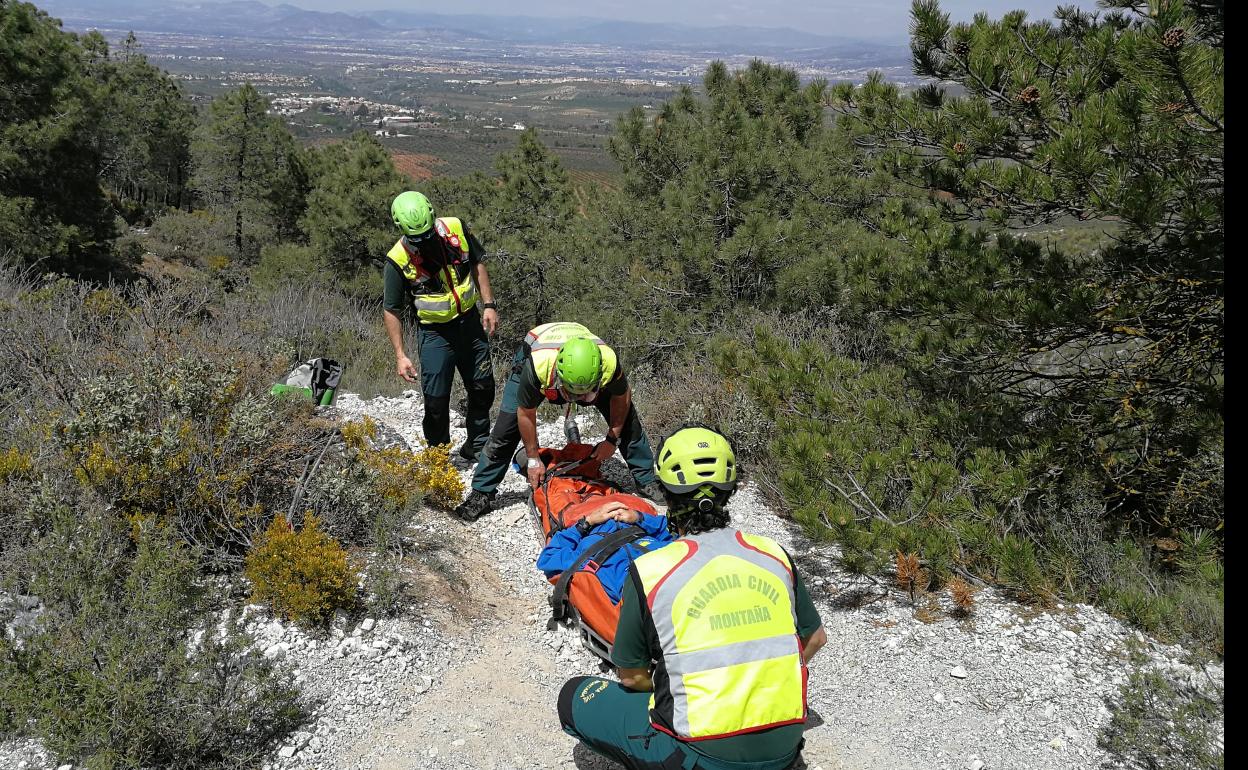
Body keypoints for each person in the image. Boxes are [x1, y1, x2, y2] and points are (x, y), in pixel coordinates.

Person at [557, 425, 828, 770]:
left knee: (573, 696)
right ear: (730, 490)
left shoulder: (652, 569)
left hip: (699, 756)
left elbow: (632, 677)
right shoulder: (772, 554)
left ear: (666, 491)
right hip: (783, 749)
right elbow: (815, 638)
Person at [453, 321, 664, 522]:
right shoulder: (538, 366)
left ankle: (646, 480)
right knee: (505, 431)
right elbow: (526, 413)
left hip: (580, 369)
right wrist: (534, 459)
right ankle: (482, 491)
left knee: (629, 424)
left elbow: (621, 397)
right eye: (573, 394)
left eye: (586, 395)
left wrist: (612, 439)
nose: (579, 400)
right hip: (535, 351)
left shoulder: (608, 362)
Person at [383, 191, 499, 461]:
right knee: (436, 402)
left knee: (483, 388)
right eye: (417, 238)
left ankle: (477, 445)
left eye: (427, 233)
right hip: (436, 335)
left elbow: (477, 263)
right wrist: (400, 355)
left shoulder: (455, 228)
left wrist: (489, 304)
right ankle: (439, 457)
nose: (423, 241)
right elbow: (391, 310)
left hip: (469, 324)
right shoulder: (397, 259)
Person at [537, 500, 673, 604]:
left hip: (585, 520)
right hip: (629, 516)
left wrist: (586, 523)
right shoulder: (671, 552)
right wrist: (639, 518)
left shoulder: (590, 562)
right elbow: (670, 529)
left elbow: (548, 557)